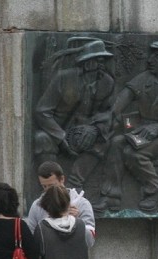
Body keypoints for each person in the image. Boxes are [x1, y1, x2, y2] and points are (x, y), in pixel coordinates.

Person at [93, 41, 158, 213]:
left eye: (157, 56)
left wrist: (157, 129)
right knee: (116, 143)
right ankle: (111, 197)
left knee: (133, 153)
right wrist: (110, 114)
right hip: (140, 132)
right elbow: (124, 98)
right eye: (150, 55)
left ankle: (157, 189)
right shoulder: (144, 78)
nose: (150, 60)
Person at [33, 38, 115, 187]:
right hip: (59, 130)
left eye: (103, 60)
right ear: (86, 62)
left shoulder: (107, 82)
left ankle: (75, 183)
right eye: (97, 60)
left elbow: (109, 113)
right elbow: (42, 111)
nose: (101, 64)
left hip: (86, 131)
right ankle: (52, 187)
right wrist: (60, 136)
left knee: (104, 140)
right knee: (41, 138)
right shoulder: (63, 78)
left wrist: (95, 129)